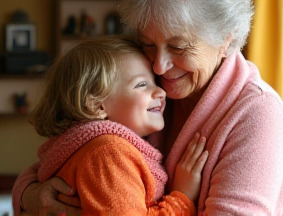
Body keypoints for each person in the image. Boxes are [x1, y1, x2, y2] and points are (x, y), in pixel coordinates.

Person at [13, 0, 283, 215]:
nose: (160, 65)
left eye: (179, 47)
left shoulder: (258, 114)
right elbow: (69, 148)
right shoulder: (142, 85)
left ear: (226, 39)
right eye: (148, 44)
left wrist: (180, 198)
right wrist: (31, 195)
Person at [14, 35, 208, 216]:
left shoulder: (82, 146)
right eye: (141, 85)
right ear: (97, 105)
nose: (160, 92)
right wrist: (182, 197)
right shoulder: (108, 154)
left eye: (154, 82)